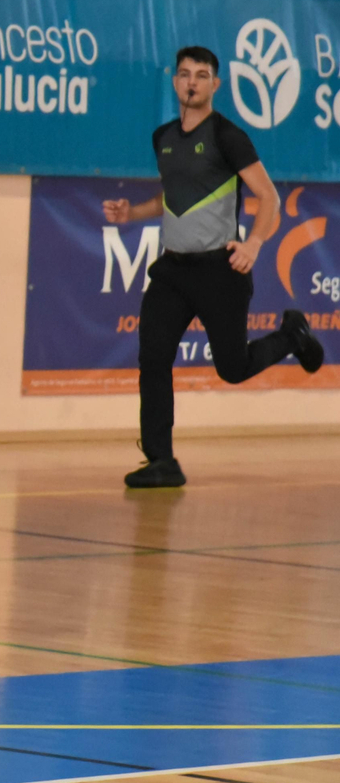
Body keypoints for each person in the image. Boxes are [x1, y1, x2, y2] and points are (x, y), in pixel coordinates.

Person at [104, 46, 325, 488]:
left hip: (219, 270)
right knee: (153, 356)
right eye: (184, 74)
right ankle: (161, 460)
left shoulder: (228, 136)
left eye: (201, 76)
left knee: (233, 367)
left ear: (215, 85)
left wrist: (256, 243)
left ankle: (292, 335)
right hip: (173, 270)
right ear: (174, 81)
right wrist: (134, 212)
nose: (192, 82)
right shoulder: (162, 137)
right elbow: (173, 197)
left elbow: (270, 198)